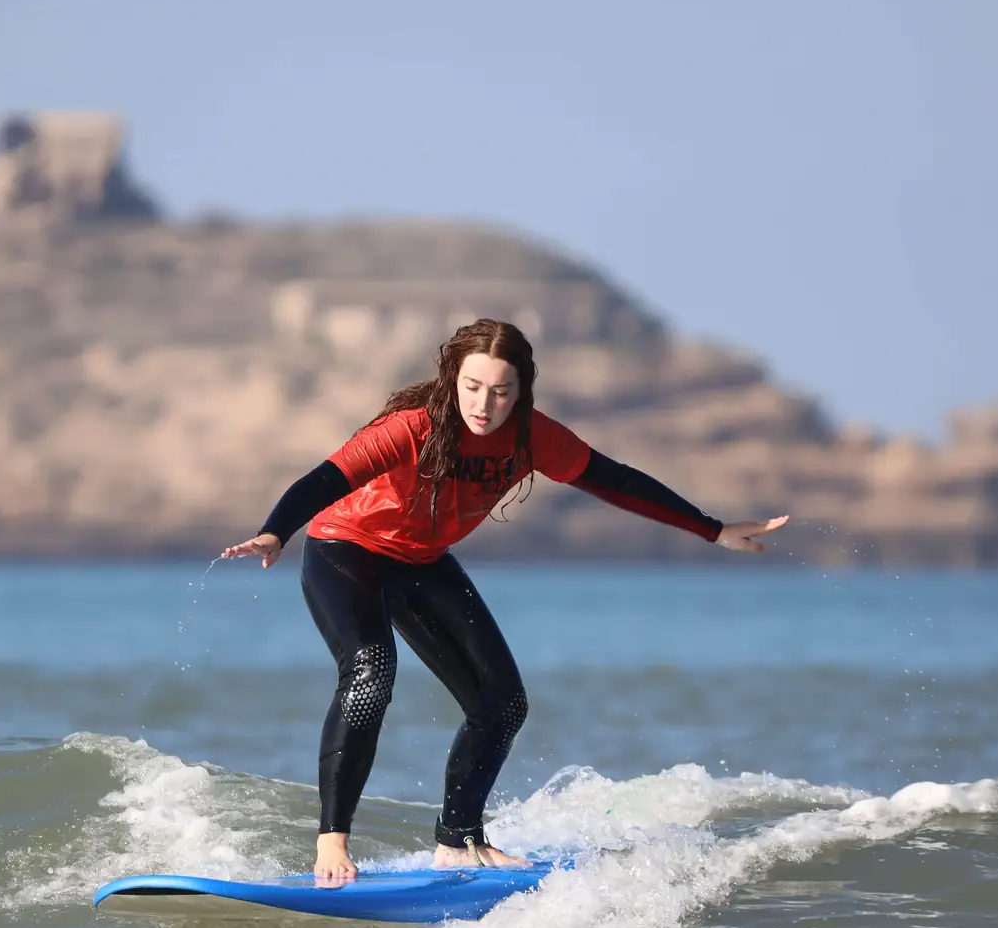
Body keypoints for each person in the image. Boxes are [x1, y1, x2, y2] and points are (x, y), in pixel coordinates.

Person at [222, 319, 788, 884]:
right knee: (371, 671)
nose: (484, 404)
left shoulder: (532, 437)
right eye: (472, 387)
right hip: (346, 549)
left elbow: (617, 481)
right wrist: (277, 530)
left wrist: (712, 530)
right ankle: (332, 842)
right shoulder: (411, 428)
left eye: (500, 391)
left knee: (503, 704)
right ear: (452, 379)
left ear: (522, 391)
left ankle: (458, 839)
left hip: (420, 561)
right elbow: (324, 480)